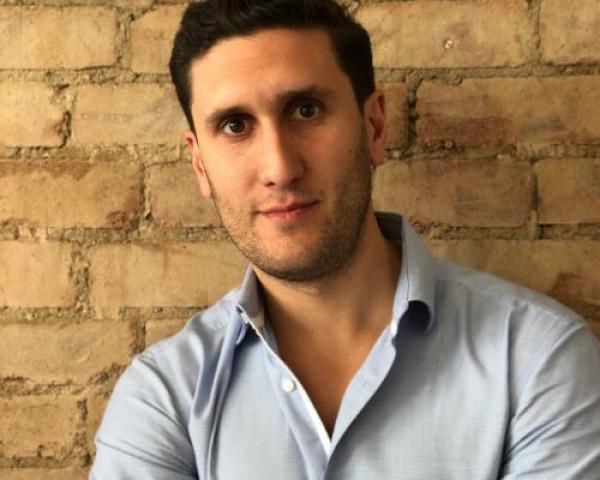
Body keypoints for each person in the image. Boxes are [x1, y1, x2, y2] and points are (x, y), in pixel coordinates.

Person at [90, 0, 600, 478]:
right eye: (235, 125)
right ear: (200, 164)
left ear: (374, 127)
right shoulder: (164, 398)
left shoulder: (536, 359)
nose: (280, 168)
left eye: (306, 110)